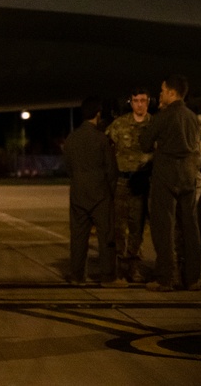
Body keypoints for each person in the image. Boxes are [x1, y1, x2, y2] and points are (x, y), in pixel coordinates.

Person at [139, 74, 201, 291]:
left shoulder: (163, 116)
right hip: (188, 175)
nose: (160, 94)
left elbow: (145, 143)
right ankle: (193, 277)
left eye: (163, 91)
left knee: (163, 227)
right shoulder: (193, 117)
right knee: (191, 227)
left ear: (172, 93)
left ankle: (165, 277)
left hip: (166, 175)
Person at [62, 96, 126, 288]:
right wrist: (110, 192)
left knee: (78, 237)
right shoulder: (101, 139)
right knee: (106, 237)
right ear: (98, 114)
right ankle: (108, 276)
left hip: (78, 193)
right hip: (100, 195)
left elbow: (68, 168)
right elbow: (111, 170)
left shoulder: (71, 138)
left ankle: (76, 274)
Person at [105, 88, 152, 282]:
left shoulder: (154, 124)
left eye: (142, 100)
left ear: (148, 102)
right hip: (122, 181)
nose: (139, 104)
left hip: (141, 182)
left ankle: (134, 266)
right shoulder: (120, 124)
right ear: (130, 102)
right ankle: (119, 266)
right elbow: (106, 146)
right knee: (119, 225)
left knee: (137, 226)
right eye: (135, 101)